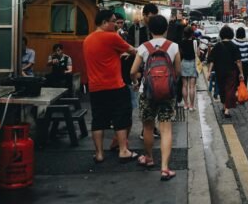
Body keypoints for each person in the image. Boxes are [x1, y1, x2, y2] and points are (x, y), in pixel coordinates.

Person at [130, 15, 181, 181]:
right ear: (166, 29)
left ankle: (149, 157)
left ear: (149, 29)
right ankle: (165, 168)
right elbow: (178, 72)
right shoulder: (173, 46)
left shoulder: (143, 47)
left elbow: (132, 71)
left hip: (147, 92)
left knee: (148, 127)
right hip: (167, 93)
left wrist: (137, 82)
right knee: (166, 130)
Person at [83, 10, 138, 164]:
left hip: (95, 87)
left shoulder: (87, 39)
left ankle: (99, 154)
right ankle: (123, 150)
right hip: (115, 85)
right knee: (121, 117)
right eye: (114, 21)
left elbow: (103, 56)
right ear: (105, 22)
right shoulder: (112, 37)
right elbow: (132, 50)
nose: (116, 24)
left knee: (98, 120)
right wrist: (127, 53)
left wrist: (117, 55)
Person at [207, 26, 244, 118]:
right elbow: (238, 61)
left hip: (219, 71)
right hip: (231, 71)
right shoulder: (234, 46)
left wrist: (209, 72)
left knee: (222, 89)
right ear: (231, 34)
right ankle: (227, 110)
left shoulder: (217, 46)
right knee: (230, 90)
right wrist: (241, 73)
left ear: (221, 34)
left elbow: (212, 60)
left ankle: (225, 107)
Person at [179, 26, 198, 110]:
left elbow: (180, 54)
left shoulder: (181, 42)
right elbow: (198, 54)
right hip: (193, 63)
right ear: (192, 33)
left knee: (184, 85)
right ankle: (192, 105)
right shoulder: (195, 42)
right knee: (192, 86)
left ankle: (186, 104)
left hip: (183, 63)